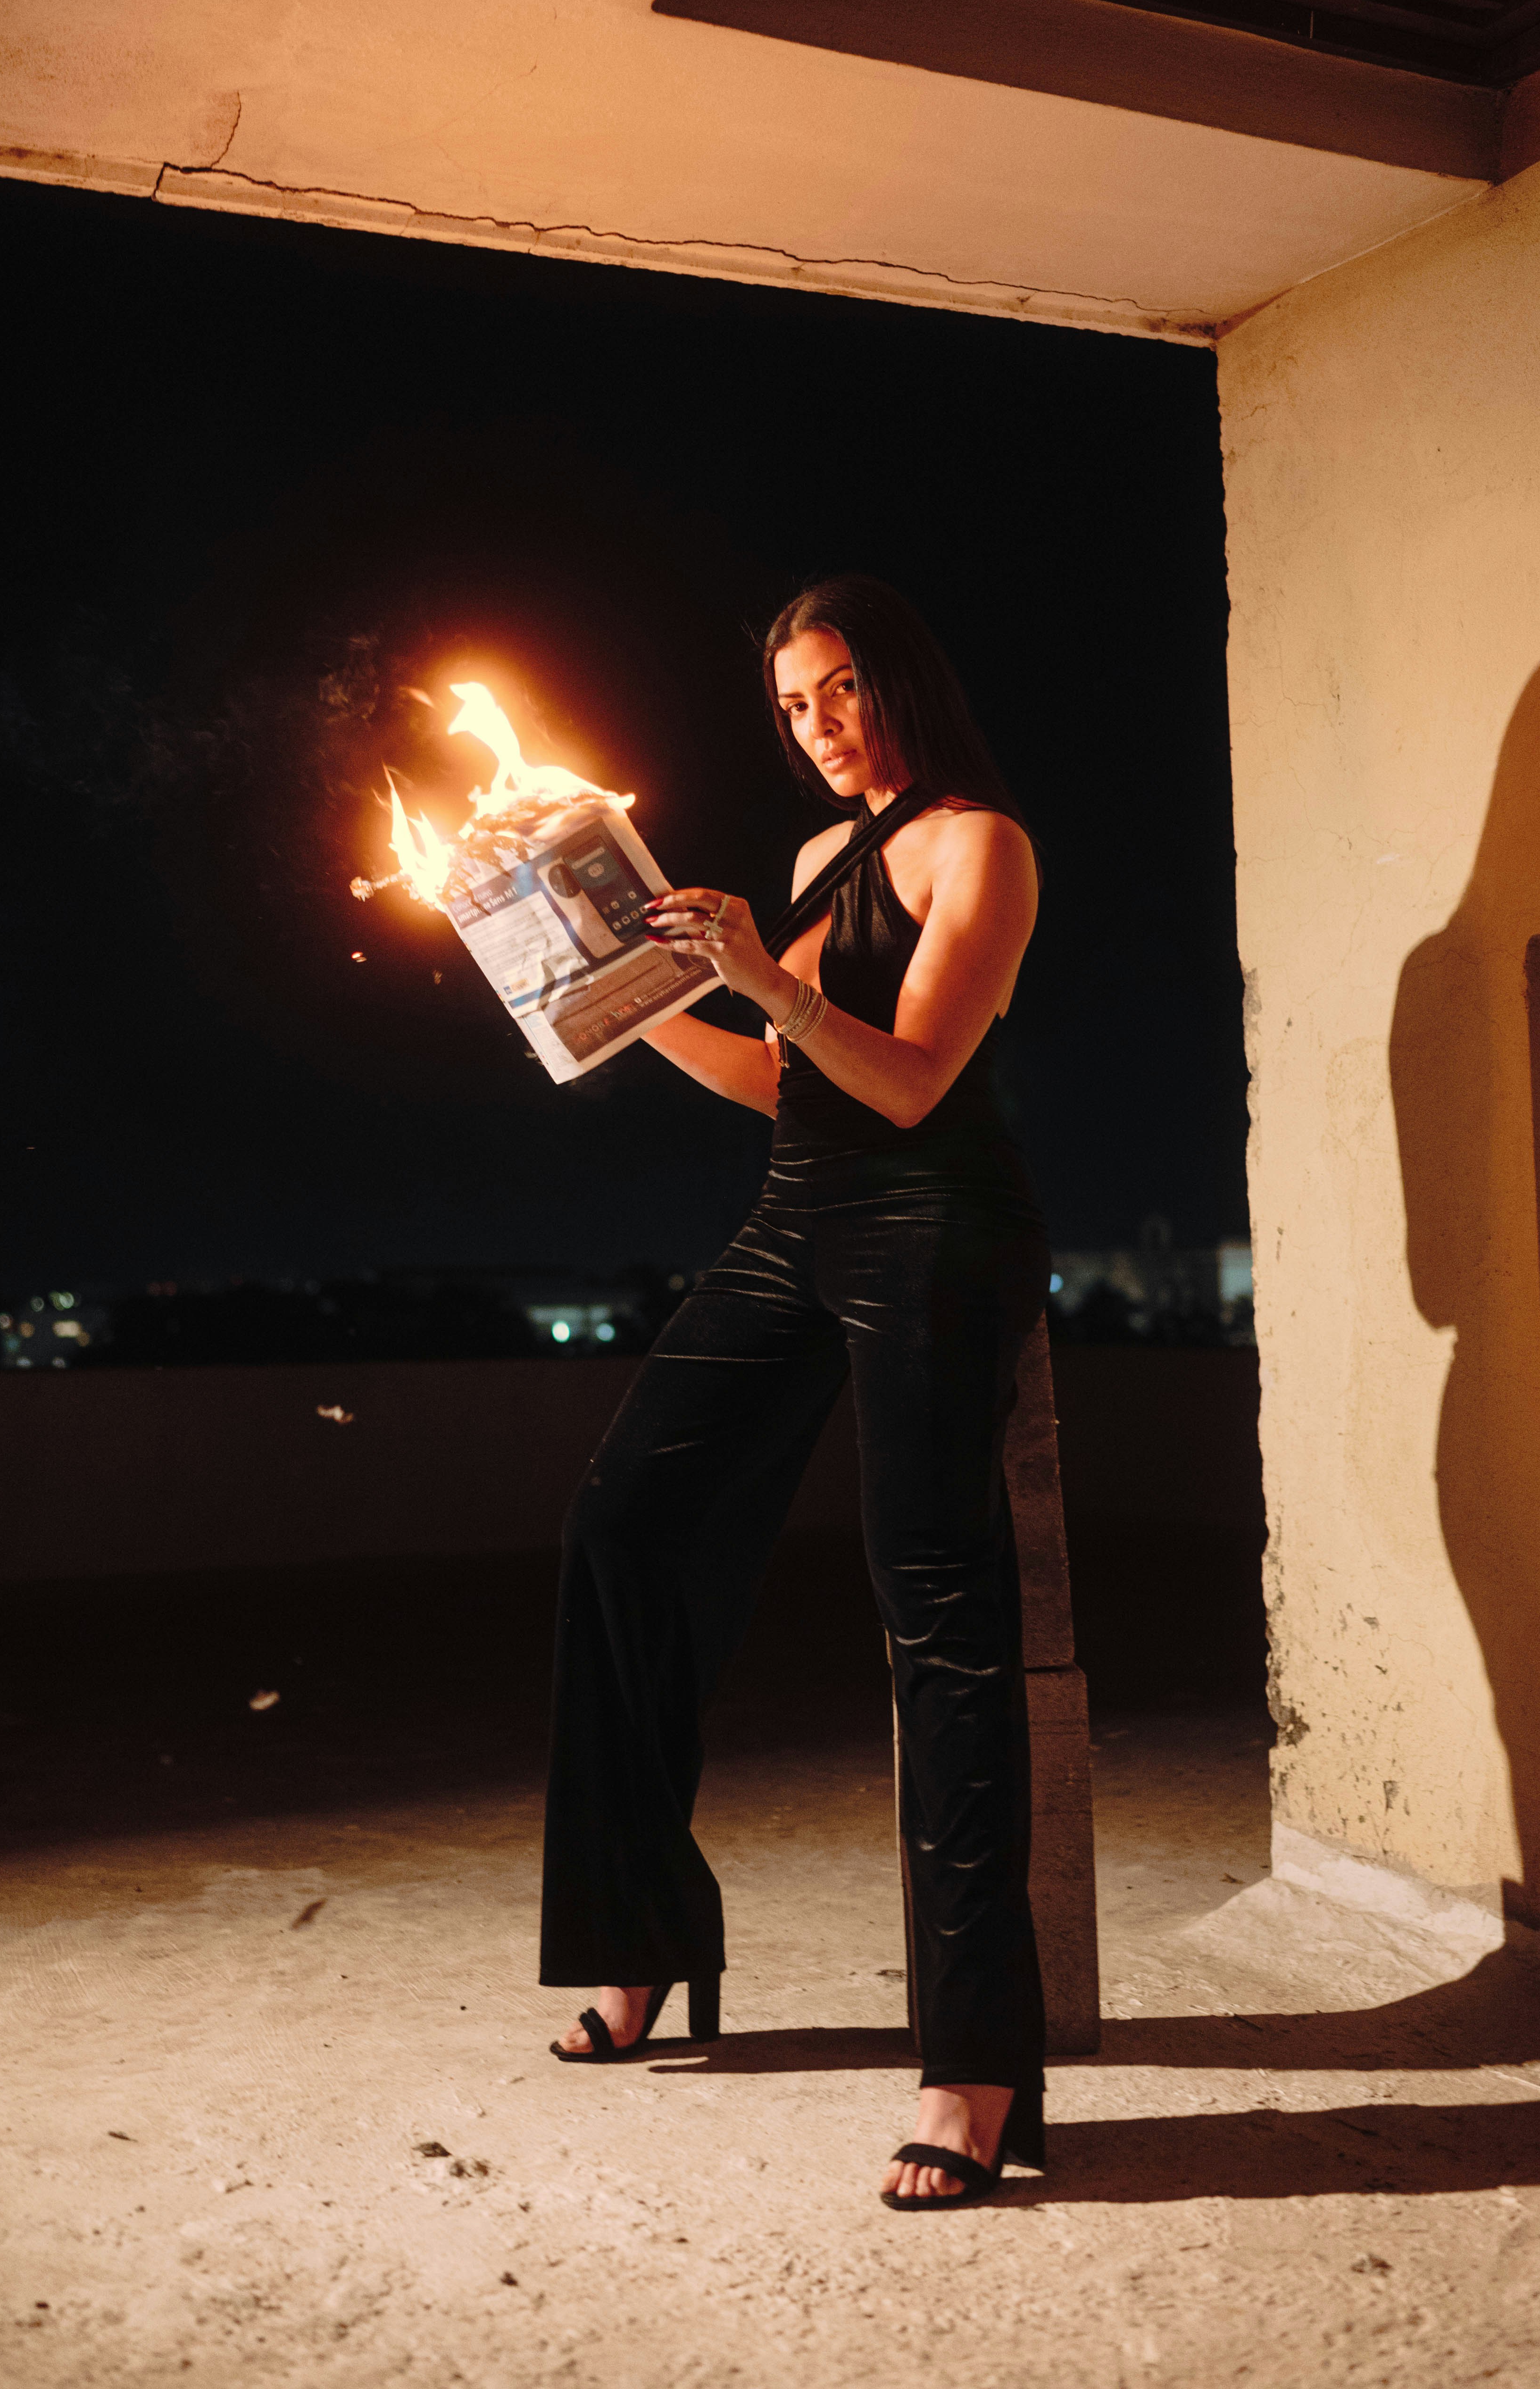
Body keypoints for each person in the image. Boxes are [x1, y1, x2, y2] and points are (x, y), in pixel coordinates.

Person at [538, 573, 1050, 2210]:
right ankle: (642, 1937)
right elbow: (785, 1081)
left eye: (838, 689)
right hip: (794, 1218)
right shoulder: (825, 854)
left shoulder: (982, 845)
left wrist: (764, 977)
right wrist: (610, 1004)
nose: (816, 726)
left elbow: (908, 1080)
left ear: (899, 679)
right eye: (790, 706)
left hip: (933, 1228)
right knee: (623, 1526)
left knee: (936, 1609)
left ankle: (975, 2069)